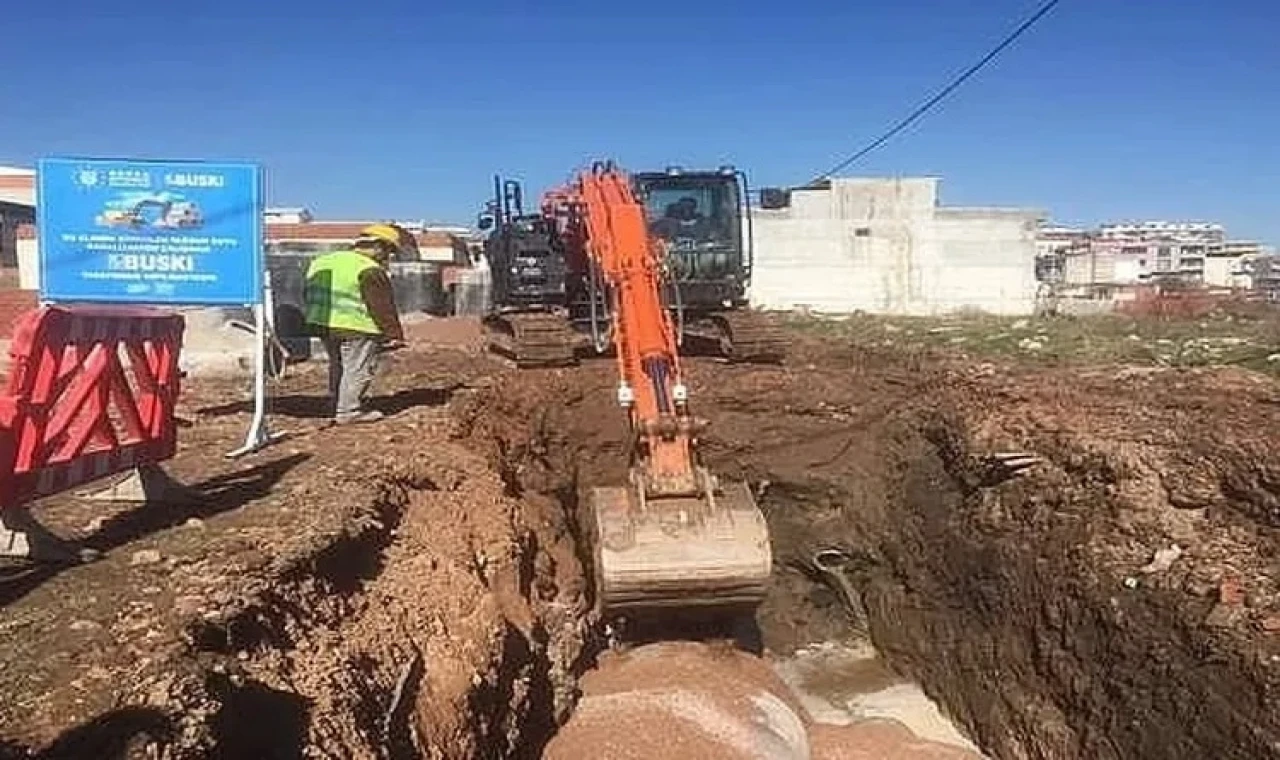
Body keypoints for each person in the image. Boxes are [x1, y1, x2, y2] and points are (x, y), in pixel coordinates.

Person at [304, 224, 409, 425]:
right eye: (388, 251)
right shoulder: (369, 269)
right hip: (357, 326)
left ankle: (336, 404)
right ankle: (348, 411)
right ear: (378, 246)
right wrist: (394, 334)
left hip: (323, 323)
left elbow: (307, 293)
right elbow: (381, 306)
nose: (388, 257)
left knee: (339, 365)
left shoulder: (321, 262)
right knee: (357, 368)